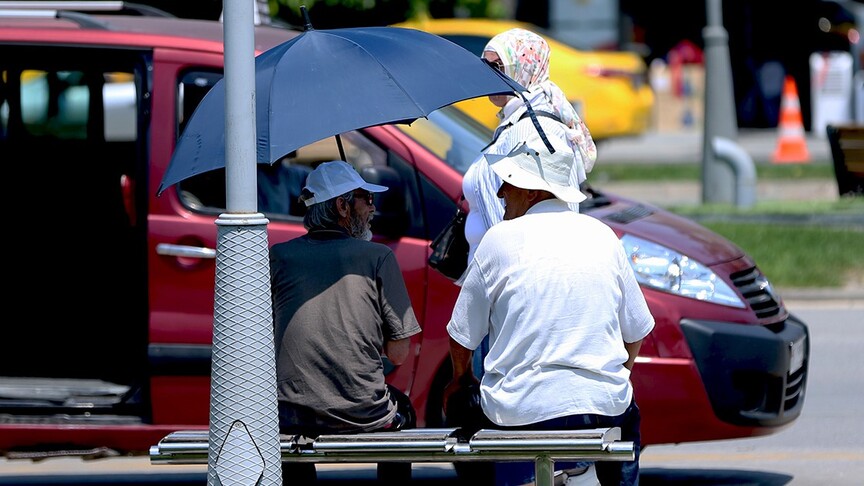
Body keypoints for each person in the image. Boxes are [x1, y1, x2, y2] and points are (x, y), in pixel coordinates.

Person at [443, 131, 655, 486]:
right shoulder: (603, 236)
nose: (500, 193)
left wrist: (461, 381)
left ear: (532, 192)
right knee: (626, 419)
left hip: (517, 411)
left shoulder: (498, 240)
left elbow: (462, 337)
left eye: (507, 183)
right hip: (601, 409)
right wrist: (608, 379)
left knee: (462, 410)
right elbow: (636, 332)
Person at [270, 160, 423, 483]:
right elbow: (399, 354)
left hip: (291, 414)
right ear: (342, 206)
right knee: (404, 410)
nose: (373, 208)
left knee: (287, 436)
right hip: (363, 414)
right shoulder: (378, 257)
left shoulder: (278, 256)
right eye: (367, 199)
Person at [462, 27, 597, 268]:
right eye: (485, 66)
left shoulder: (536, 129)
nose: (489, 75)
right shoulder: (514, 121)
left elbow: (557, 216)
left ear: (524, 68)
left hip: (514, 273)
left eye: (497, 66)